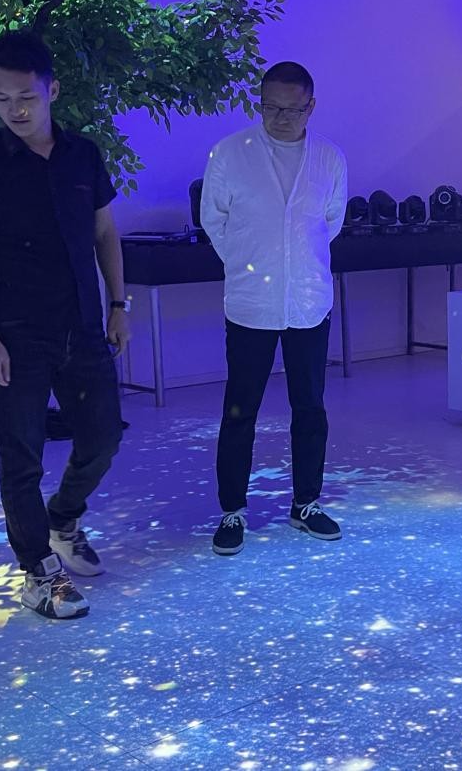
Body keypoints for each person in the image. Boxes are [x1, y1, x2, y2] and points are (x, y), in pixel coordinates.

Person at [0, 30, 129, 620]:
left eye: (26, 96)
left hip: (83, 324)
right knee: (20, 457)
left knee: (103, 437)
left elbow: (105, 234)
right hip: (17, 332)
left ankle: (63, 519)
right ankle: (38, 572)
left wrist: (119, 305)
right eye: (2, 99)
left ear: (52, 90)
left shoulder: (83, 156)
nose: (16, 109)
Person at [200, 61, 348, 556]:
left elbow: (330, 222)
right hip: (251, 303)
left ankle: (306, 502)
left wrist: (294, 264)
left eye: (292, 109)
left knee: (310, 407)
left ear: (311, 106)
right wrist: (248, 262)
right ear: (259, 103)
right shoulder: (230, 153)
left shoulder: (329, 158)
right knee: (240, 409)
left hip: (308, 301)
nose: (281, 118)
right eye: (271, 107)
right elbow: (214, 219)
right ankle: (232, 510)